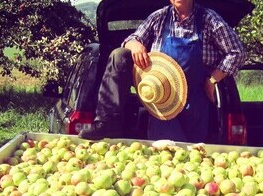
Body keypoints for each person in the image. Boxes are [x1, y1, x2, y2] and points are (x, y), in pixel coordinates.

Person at [78, 0, 246, 142]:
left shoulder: (209, 20)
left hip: (194, 103)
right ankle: (108, 123)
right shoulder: (159, 17)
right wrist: (134, 44)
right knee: (119, 55)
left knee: (190, 160)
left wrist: (213, 79)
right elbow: (131, 39)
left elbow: (237, 52)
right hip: (160, 102)